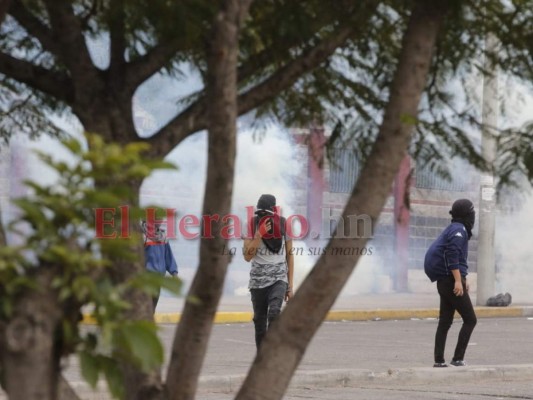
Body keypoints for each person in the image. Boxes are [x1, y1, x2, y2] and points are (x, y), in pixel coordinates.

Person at [424, 199, 478, 367]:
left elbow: (459, 257)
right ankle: (458, 358)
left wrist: (463, 278)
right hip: (449, 280)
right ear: (467, 214)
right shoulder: (459, 230)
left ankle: (439, 361)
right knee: (470, 319)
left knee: (445, 321)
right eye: (472, 212)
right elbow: (451, 253)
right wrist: (457, 281)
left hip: (445, 280)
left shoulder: (455, 228)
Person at [243, 194, 294, 350]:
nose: (263, 218)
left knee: (274, 313)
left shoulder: (284, 224)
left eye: (267, 215)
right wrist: (259, 234)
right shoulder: (251, 225)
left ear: (274, 213)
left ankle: (272, 352)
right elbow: (247, 256)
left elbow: (289, 256)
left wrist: (290, 286)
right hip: (257, 282)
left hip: (279, 279)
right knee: (259, 323)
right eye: (260, 215)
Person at [142, 220, 178, 313]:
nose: (159, 221)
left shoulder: (163, 237)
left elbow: (168, 255)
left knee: (153, 303)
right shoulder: (143, 237)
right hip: (146, 276)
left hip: (158, 277)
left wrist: (174, 272)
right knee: (146, 302)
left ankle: (149, 323)